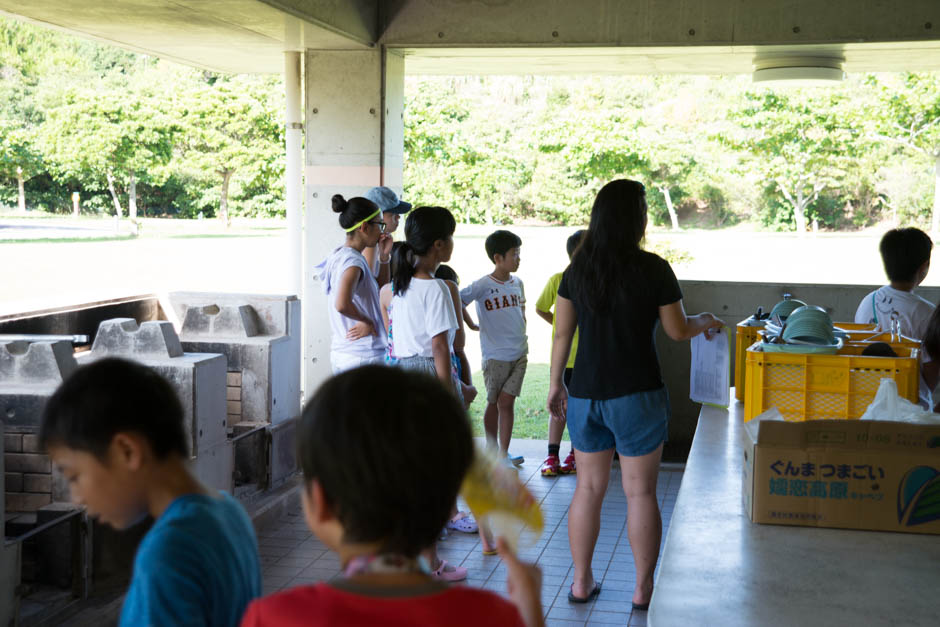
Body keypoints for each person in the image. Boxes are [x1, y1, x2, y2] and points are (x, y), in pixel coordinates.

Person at [239, 366, 545, 627]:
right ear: (447, 507)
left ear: (320, 504)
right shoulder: (492, 616)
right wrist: (529, 611)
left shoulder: (272, 618)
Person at [546, 179, 722, 611]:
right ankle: (643, 590)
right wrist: (705, 320)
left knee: (588, 489)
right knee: (640, 493)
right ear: (638, 219)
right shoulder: (654, 268)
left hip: (585, 393)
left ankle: (581, 583)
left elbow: (562, 333)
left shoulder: (577, 270)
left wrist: (555, 384)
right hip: (638, 393)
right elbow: (678, 330)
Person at [40, 358, 261, 627]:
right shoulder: (229, 511)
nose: (77, 498)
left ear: (127, 452)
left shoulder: (168, 554)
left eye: (74, 476)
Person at [384, 205, 469, 580]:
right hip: (427, 379)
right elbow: (439, 349)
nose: (452, 244)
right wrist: (449, 399)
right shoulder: (436, 288)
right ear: (438, 245)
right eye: (450, 237)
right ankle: (430, 564)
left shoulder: (400, 284)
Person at [460, 230, 528, 467]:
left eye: (519, 254)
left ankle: (503, 453)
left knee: (508, 402)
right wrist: (470, 324)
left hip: (520, 353)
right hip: (495, 356)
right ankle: (492, 450)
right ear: (498, 257)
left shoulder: (517, 283)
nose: (518, 259)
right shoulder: (483, 285)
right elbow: (457, 300)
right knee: (494, 401)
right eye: (515, 254)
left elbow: (522, 309)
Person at [854, 227, 935, 407]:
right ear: (924, 267)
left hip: (866, 400)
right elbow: (932, 368)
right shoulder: (927, 313)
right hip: (911, 405)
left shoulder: (867, 302)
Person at [316, 194, 392, 373]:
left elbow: (380, 290)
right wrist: (368, 322)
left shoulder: (341, 256)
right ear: (364, 227)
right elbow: (342, 304)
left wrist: (384, 257)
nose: (383, 231)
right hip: (362, 356)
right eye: (380, 224)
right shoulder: (353, 262)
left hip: (347, 353)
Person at [534, 229, 585, 477]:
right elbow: (540, 308)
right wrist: (561, 321)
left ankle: (574, 455)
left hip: (587, 360)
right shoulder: (558, 279)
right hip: (563, 359)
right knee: (559, 408)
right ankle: (552, 455)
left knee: (578, 410)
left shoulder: (595, 282)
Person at [435, 263, 479, 406]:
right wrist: (468, 387)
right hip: (452, 362)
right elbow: (459, 347)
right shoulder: (447, 290)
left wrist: (472, 324)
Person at [362, 185, 411, 275]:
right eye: (393, 213)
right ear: (378, 215)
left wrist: (384, 258)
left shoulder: (379, 241)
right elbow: (369, 286)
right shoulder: (370, 244)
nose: (398, 216)